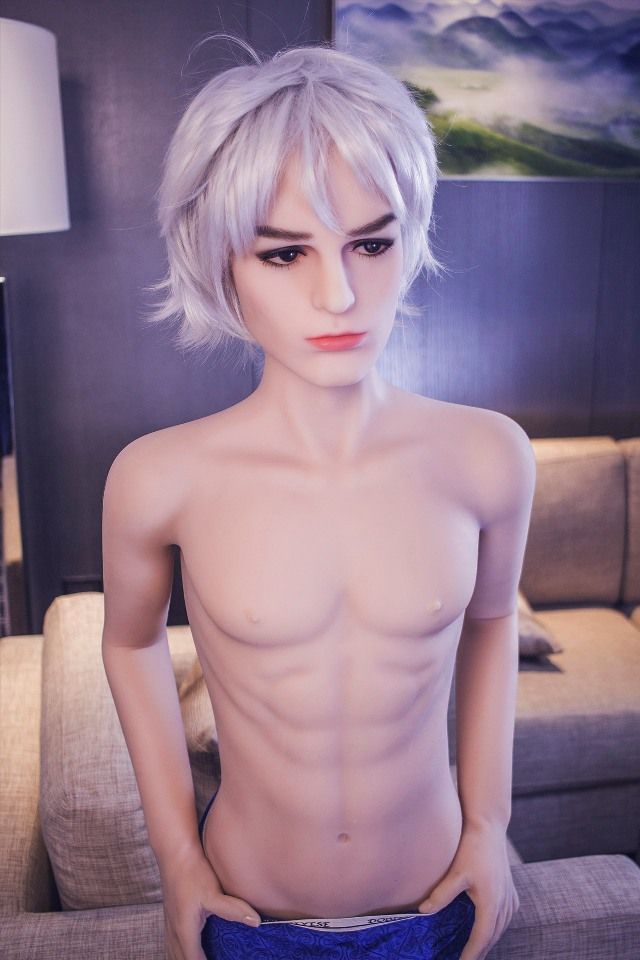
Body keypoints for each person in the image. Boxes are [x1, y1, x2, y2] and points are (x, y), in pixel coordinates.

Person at [101, 34, 535, 960]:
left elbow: (493, 623)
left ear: (411, 238)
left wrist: (490, 828)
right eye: (285, 253)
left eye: (371, 242)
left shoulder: (488, 456)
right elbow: (130, 642)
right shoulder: (158, 477)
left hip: (441, 904)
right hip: (247, 916)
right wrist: (177, 861)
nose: (339, 294)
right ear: (222, 263)